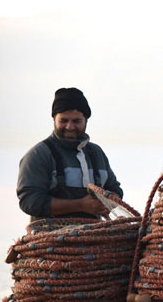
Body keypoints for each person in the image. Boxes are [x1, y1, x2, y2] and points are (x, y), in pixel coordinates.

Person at [17, 87, 123, 220]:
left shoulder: (97, 153)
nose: (70, 127)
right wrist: (80, 205)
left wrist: (111, 201)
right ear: (54, 119)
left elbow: (114, 189)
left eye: (76, 121)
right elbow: (29, 202)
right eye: (64, 120)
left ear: (86, 121)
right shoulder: (38, 155)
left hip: (94, 236)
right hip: (50, 237)